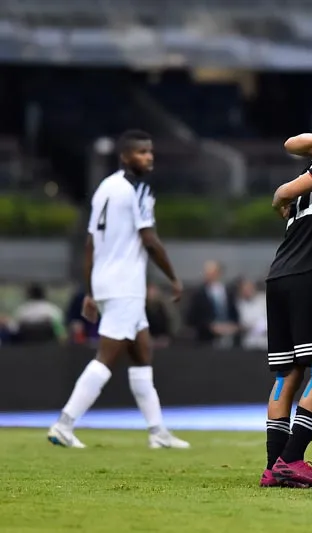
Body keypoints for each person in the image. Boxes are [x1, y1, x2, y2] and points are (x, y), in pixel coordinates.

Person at [47, 129, 188, 450]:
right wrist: (173, 278)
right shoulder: (138, 190)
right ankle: (64, 424)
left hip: (108, 282)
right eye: (141, 152)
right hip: (126, 285)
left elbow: (90, 243)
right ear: (125, 156)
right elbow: (149, 239)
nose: (148, 157)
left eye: (150, 151)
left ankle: (157, 431)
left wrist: (90, 289)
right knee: (106, 356)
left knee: (141, 355)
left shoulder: (104, 188)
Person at [259, 134, 312, 488]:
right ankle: (291, 459)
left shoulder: (302, 182)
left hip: (278, 274)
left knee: (285, 376)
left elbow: (290, 143)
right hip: (310, 278)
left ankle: (272, 467)